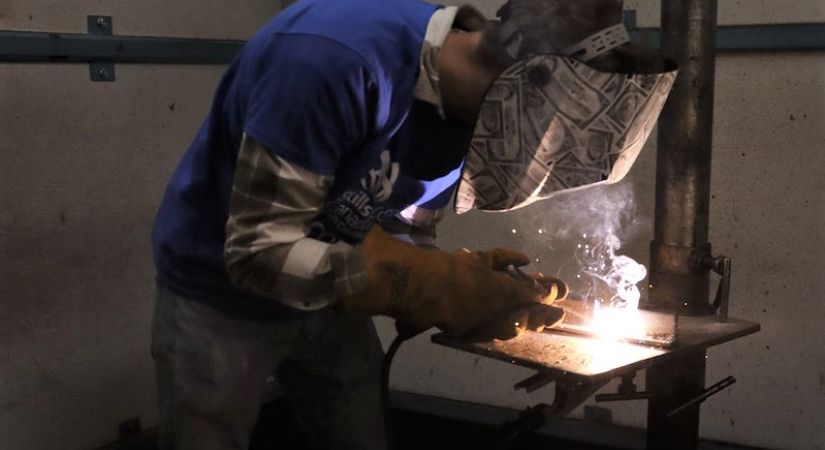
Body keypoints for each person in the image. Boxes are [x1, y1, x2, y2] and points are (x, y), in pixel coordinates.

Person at [150, 0, 675, 448]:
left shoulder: (466, 108)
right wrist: (418, 285)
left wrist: (455, 278)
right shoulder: (330, 63)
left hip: (333, 290)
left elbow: (401, 228)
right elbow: (256, 255)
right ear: (530, 88)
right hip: (219, 292)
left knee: (359, 434)